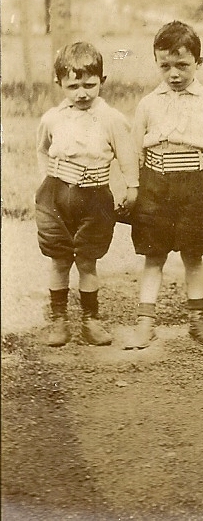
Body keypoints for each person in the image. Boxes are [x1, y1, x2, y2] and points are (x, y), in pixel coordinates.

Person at [125, 21, 203, 349]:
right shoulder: (148, 104)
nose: (174, 74)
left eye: (182, 65)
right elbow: (134, 149)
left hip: (197, 186)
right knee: (153, 255)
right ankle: (146, 321)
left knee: (193, 254)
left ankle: (197, 320)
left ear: (199, 62)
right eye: (165, 66)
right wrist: (133, 186)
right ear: (157, 63)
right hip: (156, 185)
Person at [35, 42, 139, 347]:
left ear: (102, 81)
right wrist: (46, 181)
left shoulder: (112, 119)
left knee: (88, 261)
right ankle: (59, 320)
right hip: (55, 196)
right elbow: (42, 149)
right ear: (60, 84)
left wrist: (131, 190)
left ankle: (91, 321)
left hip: (95, 198)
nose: (82, 93)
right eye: (73, 86)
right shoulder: (52, 118)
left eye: (90, 85)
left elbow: (127, 156)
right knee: (58, 260)